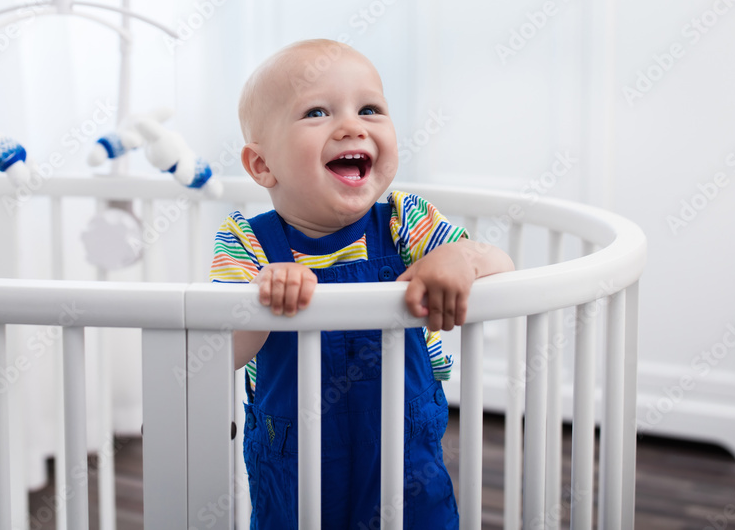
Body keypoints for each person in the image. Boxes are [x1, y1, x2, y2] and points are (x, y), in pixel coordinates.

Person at [210, 39, 514, 529]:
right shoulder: (248, 243)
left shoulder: (405, 222)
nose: (352, 125)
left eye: (369, 108)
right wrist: (261, 300)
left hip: (405, 467)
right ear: (262, 165)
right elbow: (221, 349)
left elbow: (503, 269)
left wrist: (462, 257)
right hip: (295, 476)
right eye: (316, 112)